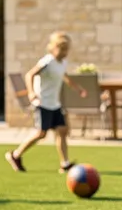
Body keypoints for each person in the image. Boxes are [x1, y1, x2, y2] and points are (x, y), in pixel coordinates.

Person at [5, 31, 88, 173]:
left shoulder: (62, 63)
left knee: (62, 131)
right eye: (62, 49)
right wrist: (31, 92)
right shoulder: (47, 62)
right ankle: (15, 155)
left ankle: (65, 164)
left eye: (66, 49)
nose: (64, 52)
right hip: (42, 103)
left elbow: (64, 76)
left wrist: (77, 89)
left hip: (54, 103)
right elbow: (30, 74)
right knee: (41, 134)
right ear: (54, 48)